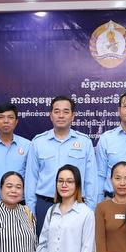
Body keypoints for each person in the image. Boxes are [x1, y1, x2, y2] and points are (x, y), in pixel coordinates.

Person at [25, 95, 98, 232]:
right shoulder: (38, 142)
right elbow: (31, 178)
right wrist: (31, 209)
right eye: (57, 111)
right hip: (45, 204)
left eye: (66, 111)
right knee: (44, 243)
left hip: (76, 205)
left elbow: (91, 179)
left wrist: (90, 209)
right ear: (51, 115)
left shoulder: (84, 142)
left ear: (73, 116)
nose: (61, 115)